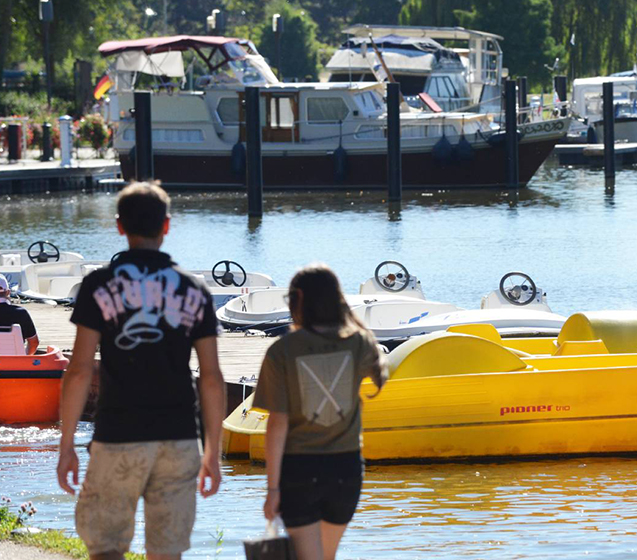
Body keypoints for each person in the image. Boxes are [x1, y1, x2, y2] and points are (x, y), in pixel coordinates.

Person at [56, 182, 225, 560]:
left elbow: (79, 370)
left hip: (118, 434)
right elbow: (212, 377)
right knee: (166, 552)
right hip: (179, 438)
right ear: (166, 226)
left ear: (119, 226)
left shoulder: (98, 285)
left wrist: (67, 444)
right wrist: (212, 450)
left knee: (107, 547)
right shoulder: (194, 289)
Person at [253, 264, 388, 560]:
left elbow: (277, 424)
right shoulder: (359, 342)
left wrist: (272, 490)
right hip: (346, 469)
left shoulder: (282, 351)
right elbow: (382, 372)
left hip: (299, 470)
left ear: (297, 299)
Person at [0, 273, 39, 354]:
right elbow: (34, 343)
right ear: (7, 292)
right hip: (15, 363)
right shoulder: (21, 313)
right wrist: (25, 358)